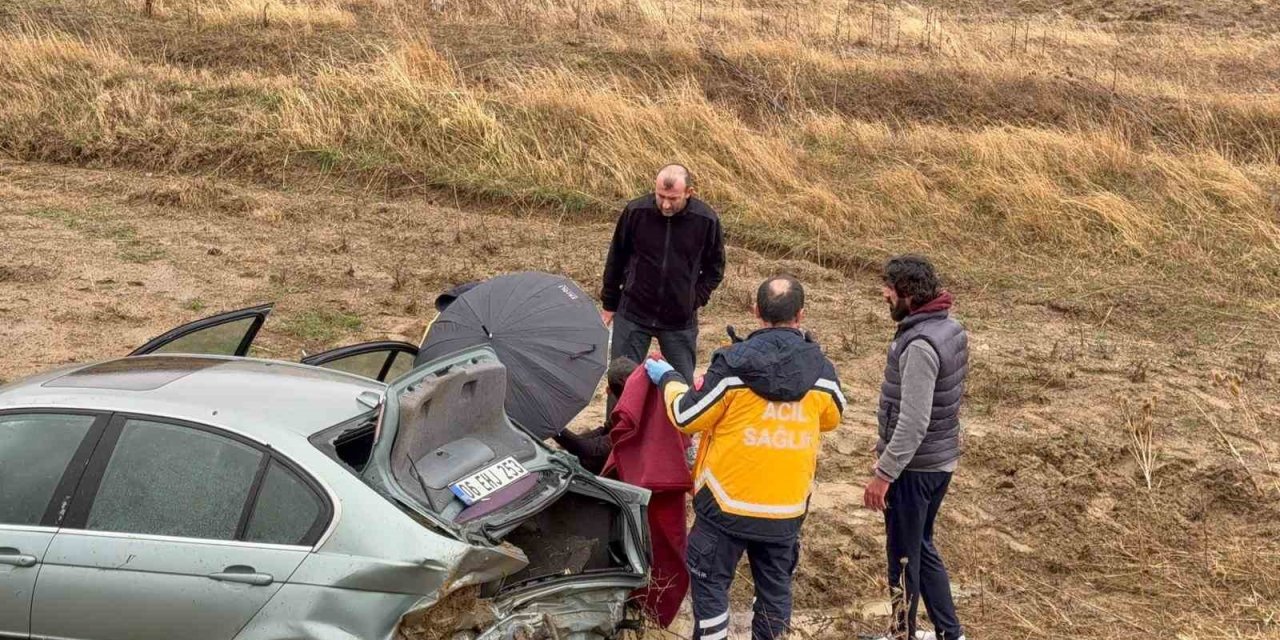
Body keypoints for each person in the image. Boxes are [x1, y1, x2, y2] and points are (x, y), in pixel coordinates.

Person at [643, 275, 844, 640]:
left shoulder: (732, 365)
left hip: (724, 505)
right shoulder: (822, 372)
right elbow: (832, 417)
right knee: (774, 595)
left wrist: (668, 378)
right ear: (800, 315)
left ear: (755, 311)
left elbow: (686, 416)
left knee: (711, 592)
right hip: (785, 509)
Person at [863, 255, 969, 640]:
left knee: (904, 558)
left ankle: (900, 635)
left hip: (914, 469)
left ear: (908, 295)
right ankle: (949, 633)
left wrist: (884, 473)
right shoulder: (949, 327)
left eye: (889, 292)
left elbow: (913, 421)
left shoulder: (920, 346)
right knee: (921, 548)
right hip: (939, 462)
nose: (885, 296)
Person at [600, 164, 726, 384]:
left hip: (679, 320)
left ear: (689, 193)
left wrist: (694, 299)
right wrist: (610, 303)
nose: (666, 204)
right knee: (621, 382)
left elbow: (715, 268)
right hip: (633, 314)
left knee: (681, 387)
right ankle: (617, 420)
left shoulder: (705, 220)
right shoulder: (635, 212)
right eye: (661, 196)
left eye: (673, 198)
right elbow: (616, 258)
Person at [552, 356, 637, 474]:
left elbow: (593, 450)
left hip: (635, 475)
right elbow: (606, 429)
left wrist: (554, 428)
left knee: (585, 464)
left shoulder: (635, 418)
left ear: (609, 391)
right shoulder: (635, 400)